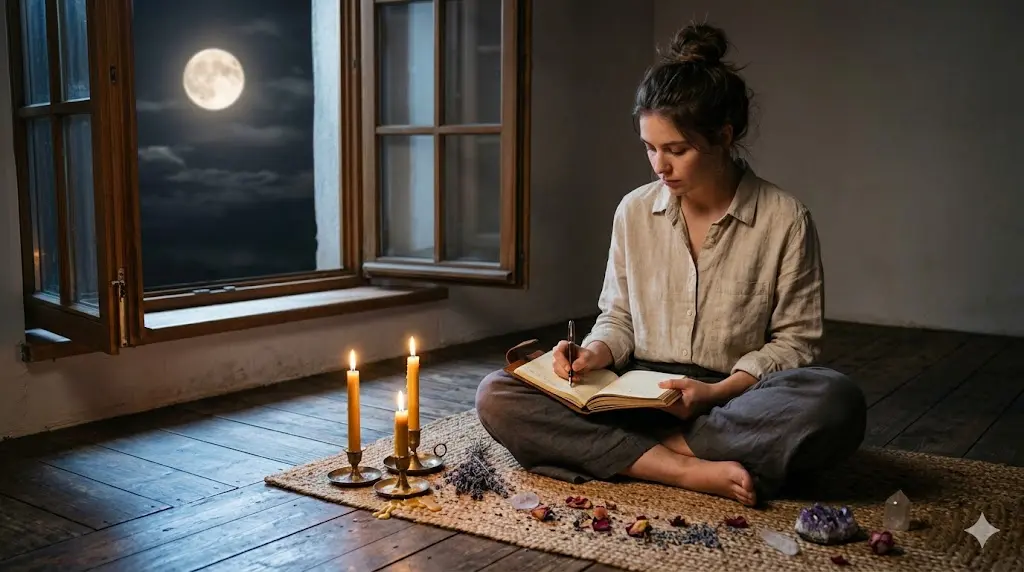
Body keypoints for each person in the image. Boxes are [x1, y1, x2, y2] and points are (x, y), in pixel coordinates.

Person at [475, 22, 866, 506]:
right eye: (649, 147)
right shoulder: (634, 211)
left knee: (835, 401)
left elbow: (796, 343)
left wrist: (718, 393)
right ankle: (679, 468)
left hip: (730, 401)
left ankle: (635, 456)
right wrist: (593, 355)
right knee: (498, 393)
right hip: (635, 394)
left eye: (676, 150)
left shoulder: (785, 219)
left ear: (723, 137)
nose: (659, 166)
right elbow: (617, 316)